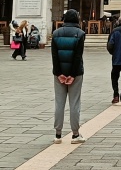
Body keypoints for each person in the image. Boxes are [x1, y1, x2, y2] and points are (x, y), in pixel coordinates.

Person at [50, 9, 87, 144]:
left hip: (59, 74)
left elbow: (54, 56)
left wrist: (59, 73)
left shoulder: (56, 33)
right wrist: (71, 75)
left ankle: (58, 135)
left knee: (59, 103)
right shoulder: (80, 34)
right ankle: (75, 134)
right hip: (76, 74)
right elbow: (78, 57)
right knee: (74, 103)